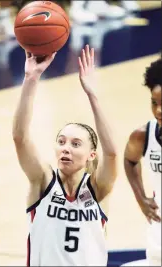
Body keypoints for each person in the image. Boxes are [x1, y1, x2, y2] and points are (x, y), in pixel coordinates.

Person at [12, 44, 118, 266]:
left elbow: (111, 152)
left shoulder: (97, 189)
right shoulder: (43, 180)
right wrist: (31, 78)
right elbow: (20, 138)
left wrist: (92, 95)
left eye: (75, 144)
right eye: (61, 142)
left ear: (91, 155)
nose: (65, 148)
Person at [124, 58, 162, 266]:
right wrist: (141, 198)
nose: (159, 111)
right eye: (154, 102)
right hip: (159, 232)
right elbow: (129, 161)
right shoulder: (143, 136)